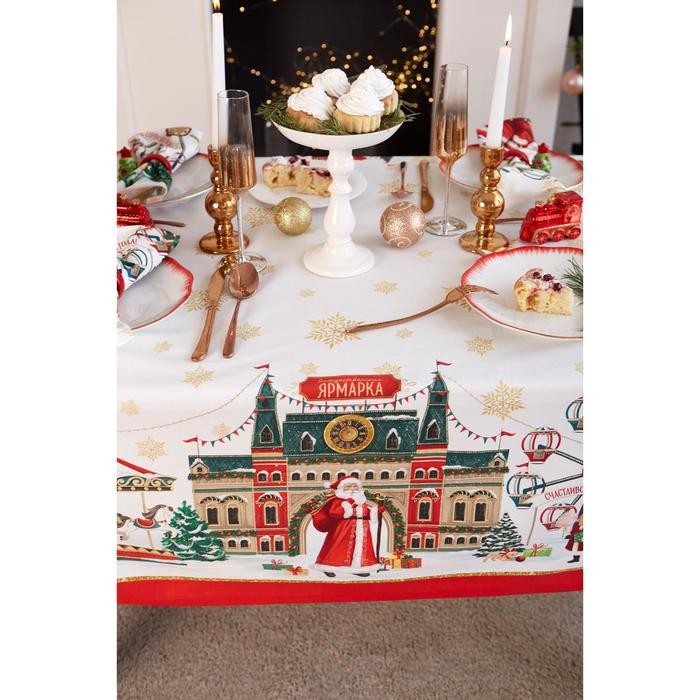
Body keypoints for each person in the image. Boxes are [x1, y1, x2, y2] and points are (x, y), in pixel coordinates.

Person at [312, 476, 383, 577]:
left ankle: (357, 568)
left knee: (361, 548)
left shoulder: (361, 500)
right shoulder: (338, 500)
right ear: (342, 488)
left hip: (362, 528)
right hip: (343, 528)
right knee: (337, 548)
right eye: (349, 486)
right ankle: (328, 566)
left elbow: (365, 513)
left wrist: (376, 511)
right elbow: (334, 512)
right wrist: (350, 501)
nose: (352, 488)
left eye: (355, 486)